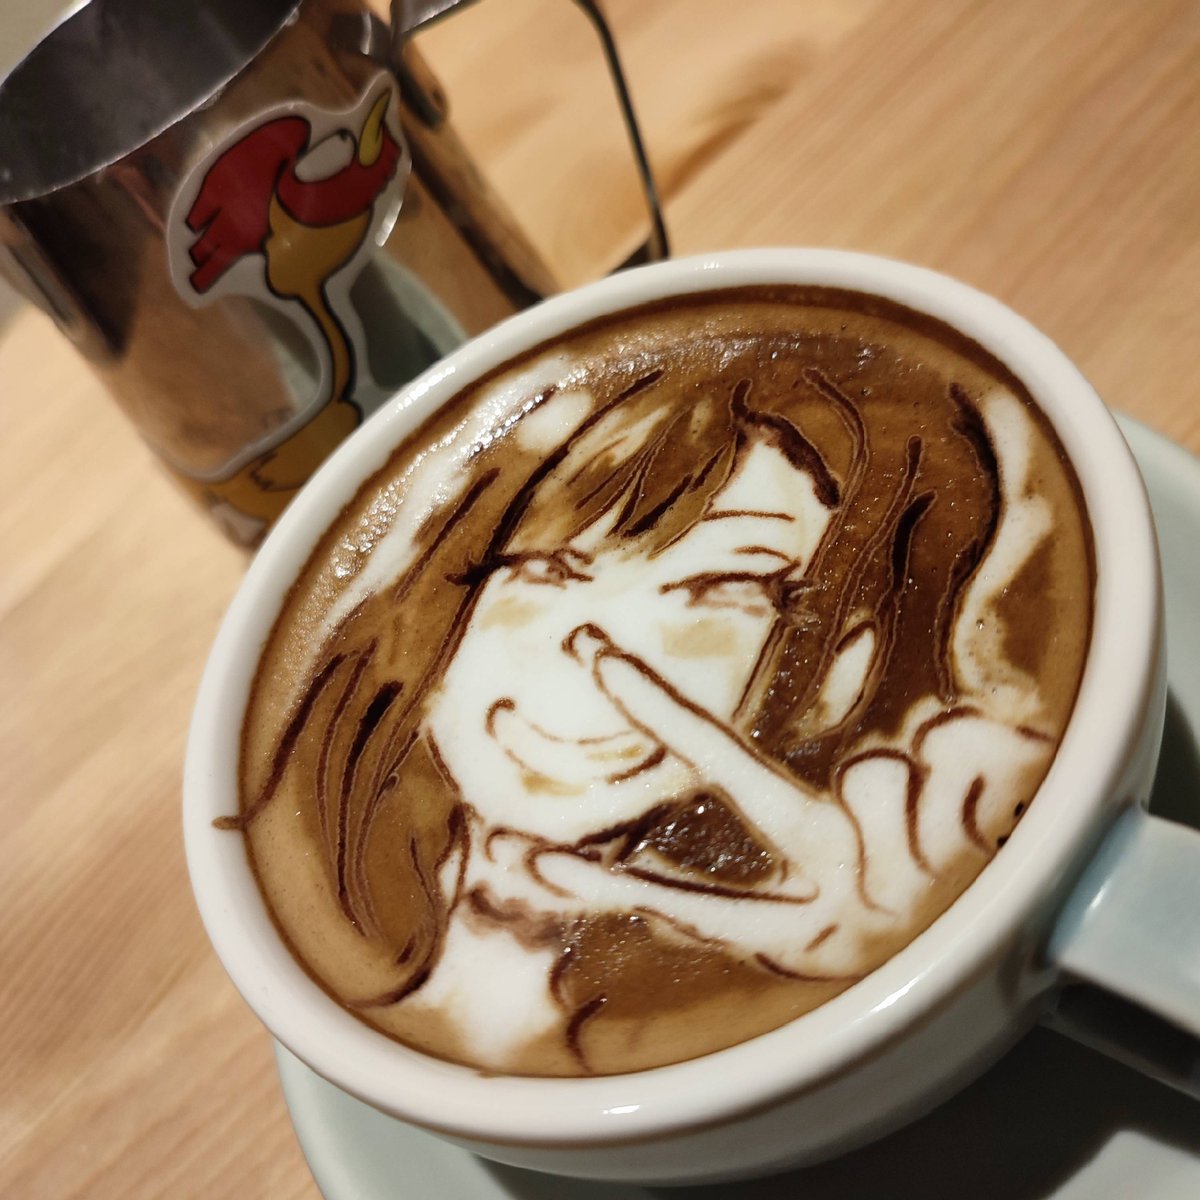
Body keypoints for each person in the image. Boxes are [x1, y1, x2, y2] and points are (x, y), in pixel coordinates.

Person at [240, 346, 1062, 1072]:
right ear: (438, 618)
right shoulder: (350, 944)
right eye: (547, 569)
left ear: (844, 668)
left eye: (726, 589)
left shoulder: (854, 896)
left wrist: (960, 940)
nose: (596, 645)